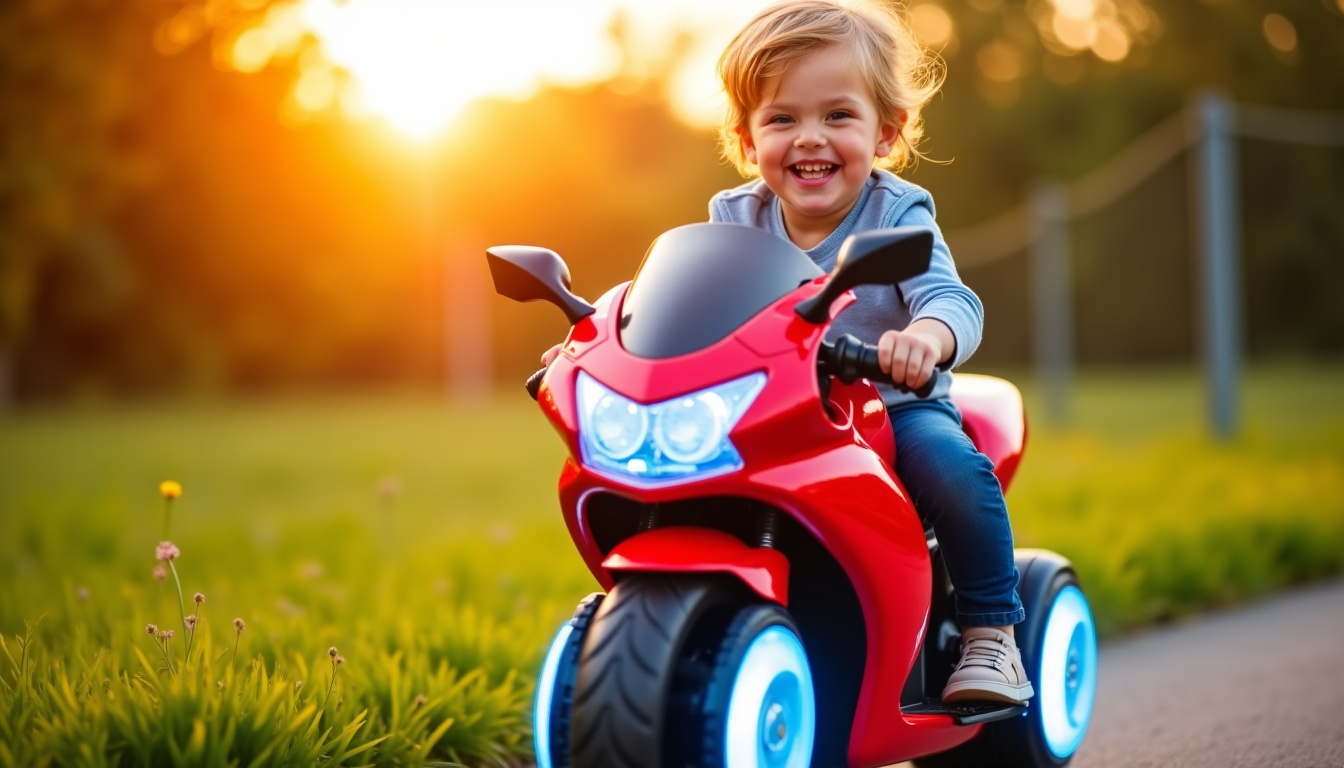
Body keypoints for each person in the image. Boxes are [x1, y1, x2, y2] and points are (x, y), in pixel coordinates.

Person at [708, 0, 1032, 707]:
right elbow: (696, 300)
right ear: (746, 136)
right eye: (782, 118)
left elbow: (953, 300)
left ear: (887, 133)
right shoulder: (735, 218)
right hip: (772, 414)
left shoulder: (896, 211)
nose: (809, 138)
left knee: (950, 467)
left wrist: (926, 339)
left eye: (838, 116)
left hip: (890, 406)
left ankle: (991, 636)